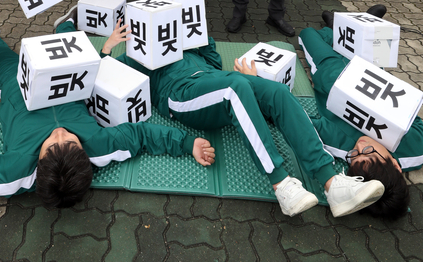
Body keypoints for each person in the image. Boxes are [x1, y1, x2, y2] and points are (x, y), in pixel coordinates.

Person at [0, 23, 214, 217]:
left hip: (19, 90)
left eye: (55, 143)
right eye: (70, 141)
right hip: (69, 81)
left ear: (40, 161)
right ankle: (66, 23)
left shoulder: (12, 170)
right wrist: (189, 143)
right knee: (70, 40)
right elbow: (142, 136)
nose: (61, 133)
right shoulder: (101, 146)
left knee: (1, 54)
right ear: (84, 154)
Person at [94, 13, 385, 218]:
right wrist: (108, 48)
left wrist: (196, 32)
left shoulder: (183, 45)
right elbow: (107, 80)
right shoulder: (136, 55)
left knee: (276, 92)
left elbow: (213, 61)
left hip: (212, 79)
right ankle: (281, 183)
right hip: (180, 95)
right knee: (235, 86)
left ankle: (331, 183)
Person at [299, 5, 422, 219]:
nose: (360, 146)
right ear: (395, 164)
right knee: (380, 44)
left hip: (330, 70)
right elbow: (415, 119)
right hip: (372, 72)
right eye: (368, 153)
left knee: (306, 34)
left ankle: (335, 27)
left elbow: (299, 121)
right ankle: (357, 24)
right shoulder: (415, 147)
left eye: (355, 156)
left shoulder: (341, 146)